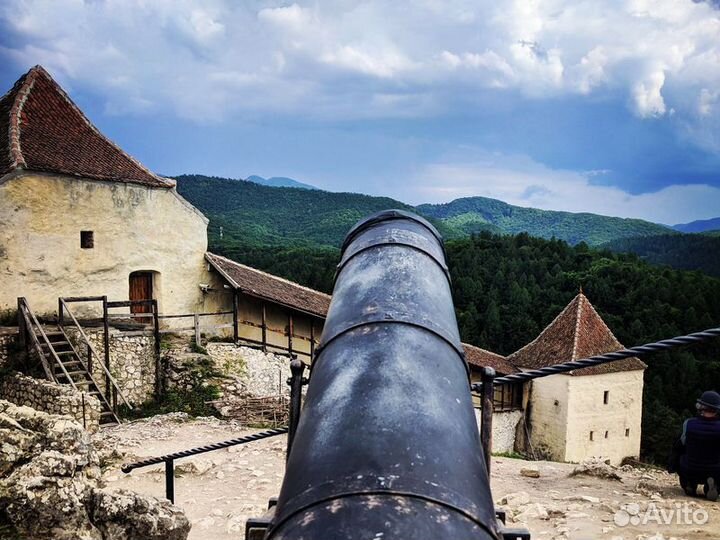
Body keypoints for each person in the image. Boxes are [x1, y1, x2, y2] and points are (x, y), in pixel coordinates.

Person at [672, 390, 720, 501]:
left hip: (689, 468)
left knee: (680, 452)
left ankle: (689, 484)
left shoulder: (688, 423)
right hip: (715, 470)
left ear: (700, 407)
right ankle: (714, 487)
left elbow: (681, 444)